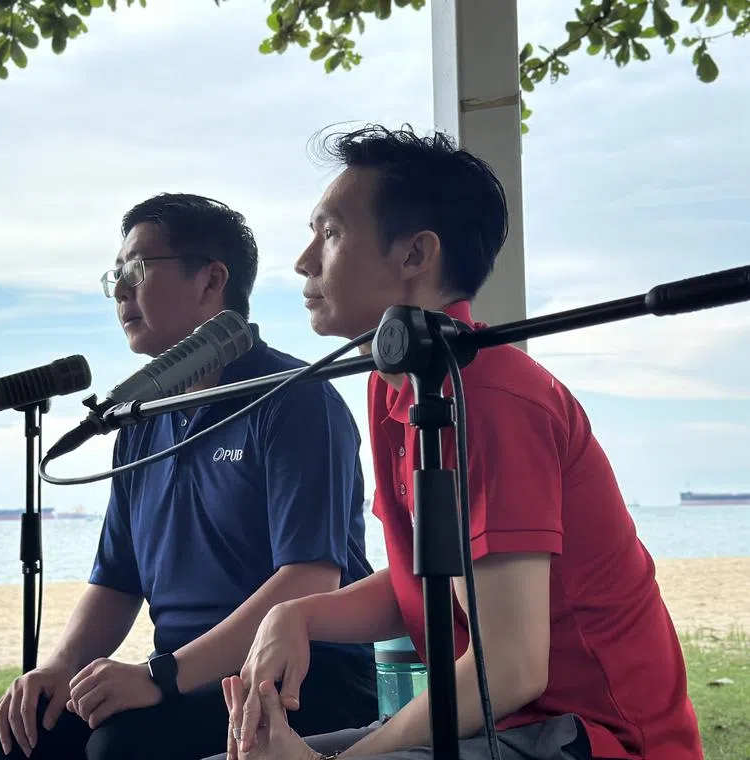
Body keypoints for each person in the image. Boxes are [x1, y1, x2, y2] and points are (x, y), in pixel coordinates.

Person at [211, 126, 704, 760]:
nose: (305, 260)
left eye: (330, 233)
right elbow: (430, 577)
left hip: (594, 738)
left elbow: (510, 670)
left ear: (415, 255)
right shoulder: (397, 388)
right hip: (511, 724)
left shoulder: (491, 394)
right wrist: (297, 615)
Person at [0, 192, 379, 760]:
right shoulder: (140, 420)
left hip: (302, 683)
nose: (121, 290)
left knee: (119, 747)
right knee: (22, 738)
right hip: (182, 679)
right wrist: (58, 669)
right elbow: (118, 582)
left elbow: (308, 579)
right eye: (114, 275)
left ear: (211, 280)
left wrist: (160, 678)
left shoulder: (292, 400)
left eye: (139, 269)